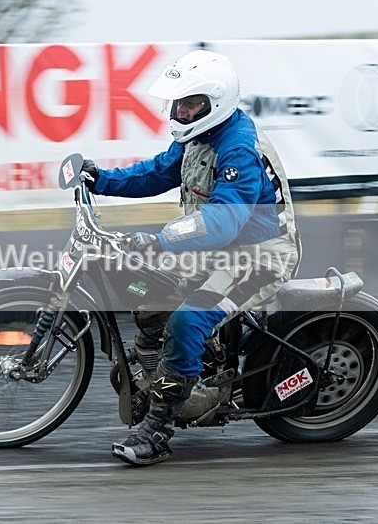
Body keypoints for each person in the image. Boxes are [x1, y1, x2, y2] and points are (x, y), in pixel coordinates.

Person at [80, 49, 301, 466]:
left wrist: (160, 240)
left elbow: (222, 222)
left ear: (215, 102)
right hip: (217, 248)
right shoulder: (198, 134)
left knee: (186, 319)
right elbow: (158, 172)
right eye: (178, 103)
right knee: (141, 282)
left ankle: (159, 428)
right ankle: (156, 363)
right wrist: (101, 179)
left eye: (190, 103)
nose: (180, 111)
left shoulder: (238, 149)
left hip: (258, 256)